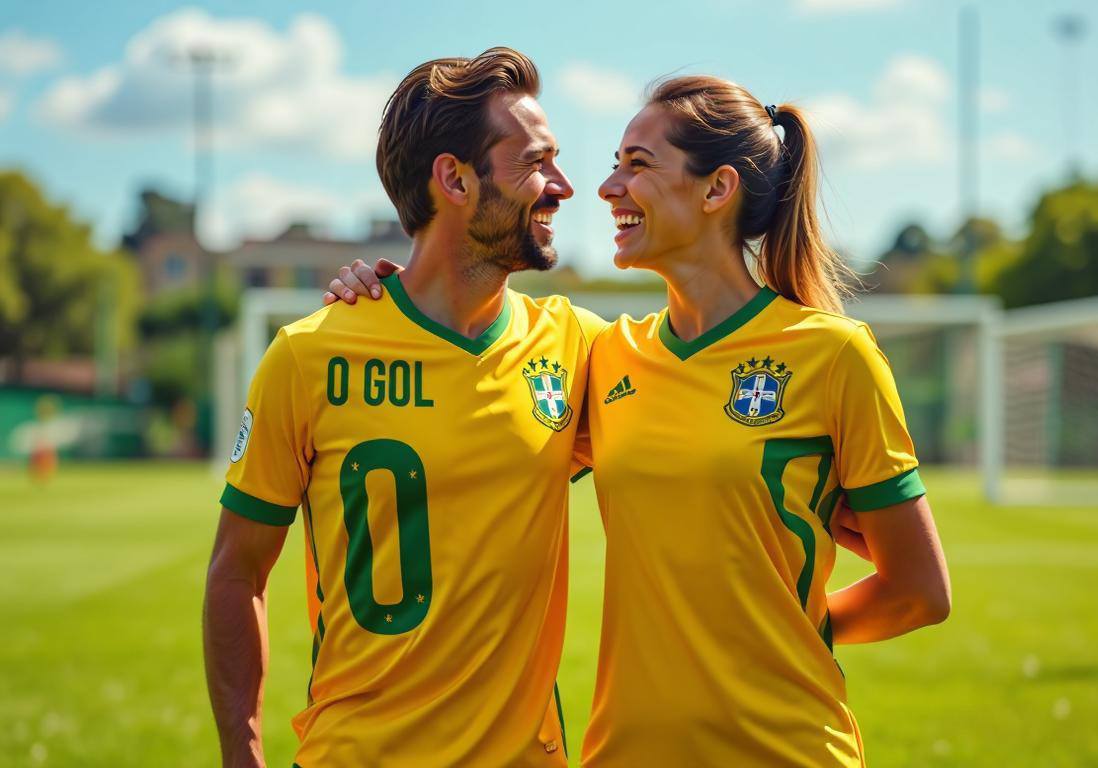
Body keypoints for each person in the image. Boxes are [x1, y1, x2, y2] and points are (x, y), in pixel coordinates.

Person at [327, 76, 950, 767]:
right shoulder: (603, 358)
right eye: (616, 162)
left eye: (638, 164)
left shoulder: (833, 354)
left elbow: (919, 591)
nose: (606, 186)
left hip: (787, 750)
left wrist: (790, 629)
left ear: (717, 190)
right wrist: (384, 296)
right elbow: (476, 400)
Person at [204, 47, 605, 767]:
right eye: (536, 162)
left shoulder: (580, 351)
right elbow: (237, 573)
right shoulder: (310, 354)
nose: (564, 187)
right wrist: (244, 753)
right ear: (453, 177)